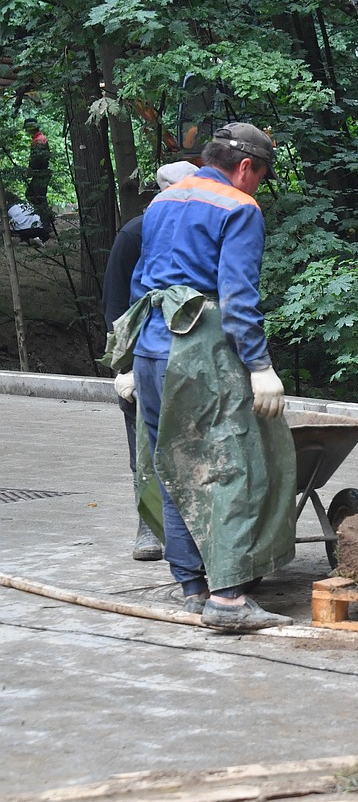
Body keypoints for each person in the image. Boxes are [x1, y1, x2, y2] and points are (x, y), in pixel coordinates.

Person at [103, 123, 296, 632]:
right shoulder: (238, 206)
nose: (257, 187)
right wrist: (259, 367)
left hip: (149, 348)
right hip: (199, 350)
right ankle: (229, 600)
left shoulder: (165, 202)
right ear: (247, 166)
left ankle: (193, 587)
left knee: (170, 464)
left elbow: (142, 280)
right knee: (228, 465)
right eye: (261, 176)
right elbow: (238, 297)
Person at [103, 161, 198, 562]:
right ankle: (148, 526)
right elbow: (114, 303)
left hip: (190, 351)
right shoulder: (135, 233)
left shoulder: (198, 231)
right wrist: (121, 366)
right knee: (144, 444)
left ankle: (191, 528)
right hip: (143, 351)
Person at [23, 118, 52, 224]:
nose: (26, 130)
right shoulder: (38, 138)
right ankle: (47, 220)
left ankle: (46, 222)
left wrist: (30, 171)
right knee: (36, 196)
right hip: (41, 172)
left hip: (41, 173)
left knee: (36, 196)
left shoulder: (38, 140)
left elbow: (37, 159)